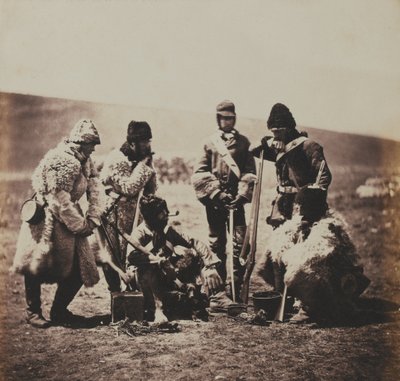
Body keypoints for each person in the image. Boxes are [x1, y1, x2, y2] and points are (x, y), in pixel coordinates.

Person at [12, 119, 105, 328]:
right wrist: (81, 226)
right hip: (46, 220)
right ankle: (32, 311)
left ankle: (59, 311)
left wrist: (93, 216)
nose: (94, 149)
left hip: (70, 218)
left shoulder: (86, 161)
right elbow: (58, 200)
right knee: (36, 263)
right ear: (81, 143)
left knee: (82, 267)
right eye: (92, 144)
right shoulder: (61, 160)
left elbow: (95, 188)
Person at [258, 186, 370, 325]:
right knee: (269, 257)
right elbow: (277, 244)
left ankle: (312, 310)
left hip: (341, 281)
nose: (296, 209)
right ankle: (287, 298)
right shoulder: (304, 222)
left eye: (299, 206)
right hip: (323, 276)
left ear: (307, 208)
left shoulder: (329, 228)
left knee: (299, 271)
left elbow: (305, 258)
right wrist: (287, 239)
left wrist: (286, 253)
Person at [191, 100, 256, 305]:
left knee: (239, 245)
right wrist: (217, 194)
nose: (226, 121)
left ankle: (236, 288)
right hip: (216, 203)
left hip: (236, 203)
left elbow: (250, 172)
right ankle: (218, 293)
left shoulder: (244, 143)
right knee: (216, 245)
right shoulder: (209, 143)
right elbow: (200, 172)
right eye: (223, 118)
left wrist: (242, 194)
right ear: (218, 119)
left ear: (234, 118)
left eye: (230, 118)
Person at [126, 195, 224, 322]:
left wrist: (210, 266)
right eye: (162, 214)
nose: (166, 215)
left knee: (191, 254)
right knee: (147, 269)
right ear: (150, 217)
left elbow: (194, 243)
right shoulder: (139, 233)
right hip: (145, 281)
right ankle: (158, 309)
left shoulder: (167, 230)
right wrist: (158, 260)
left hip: (168, 277)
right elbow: (132, 257)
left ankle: (214, 297)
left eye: (166, 211)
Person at [252, 103, 332, 228]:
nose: (276, 134)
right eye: (273, 131)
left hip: (303, 204)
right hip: (282, 203)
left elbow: (323, 177)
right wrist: (269, 142)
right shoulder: (277, 147)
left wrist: (309, 208)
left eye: (279, 131)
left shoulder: (309, 146)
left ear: (289, 128)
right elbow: (253, 150)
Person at [99, 121, 157, 292]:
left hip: (136, 214)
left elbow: (151, 188)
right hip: (114, 215)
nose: (148, 145)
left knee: (135, 254)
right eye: (144, 142)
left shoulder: (143, 159)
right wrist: (144, 166)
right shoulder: (117, 159)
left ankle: (135, 295)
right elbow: (129, 188)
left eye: (149, 141)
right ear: (133, 143)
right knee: (113, 256)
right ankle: (116, 295)